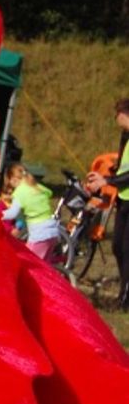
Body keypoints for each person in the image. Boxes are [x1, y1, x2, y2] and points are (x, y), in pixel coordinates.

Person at [86, 97, 129, 309]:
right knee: (117, 246)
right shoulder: (126, 136)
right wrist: (105, 175)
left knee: (127, 249)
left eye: (117, 114)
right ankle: (125, 292)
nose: (116, 118)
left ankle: (125, 299)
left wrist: (108, 181)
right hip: (124, 198)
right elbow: (123, 167)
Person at [0, 162, 58, 261]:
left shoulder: (19, 192)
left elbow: (12, 213)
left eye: (9, 184)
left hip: (39, 234)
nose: (11, 188)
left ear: (13, 179)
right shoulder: (36, 186)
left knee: (27, 263)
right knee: (43, 266)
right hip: (53, 231)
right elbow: (49, 193)